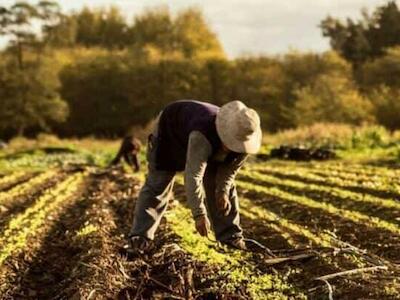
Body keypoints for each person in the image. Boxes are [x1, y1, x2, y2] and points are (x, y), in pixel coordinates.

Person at [128, 100, 262, 251]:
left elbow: (229, 172)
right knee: (158, 184)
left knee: (224, 190)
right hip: (170, 133)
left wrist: (222, 191)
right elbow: (193, 176)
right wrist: (199, 214)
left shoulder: (245, 140)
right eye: (230, 141)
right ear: (224, 131)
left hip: (201, 138)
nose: (232, 145)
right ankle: (140, 238)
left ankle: (230, 237)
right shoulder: (202, 134)